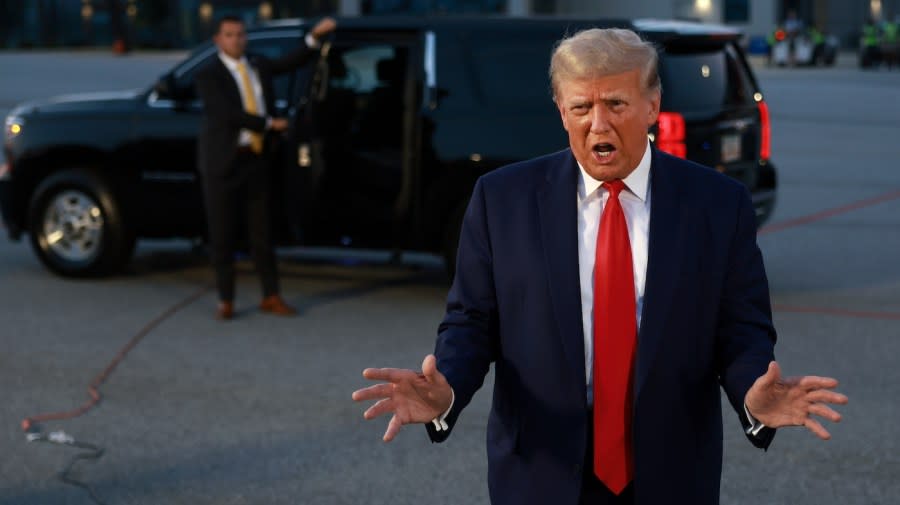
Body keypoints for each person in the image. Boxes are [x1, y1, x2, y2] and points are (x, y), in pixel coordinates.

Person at [352, 28, 847, 505]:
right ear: (560, 111)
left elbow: (740, 329)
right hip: (539, 472)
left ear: (652, 106)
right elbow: (472, 322)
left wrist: (753, 397)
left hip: (671, 476)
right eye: (581, 107)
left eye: (616, 104)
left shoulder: (718, 205)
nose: (598, 123)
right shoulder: (502, 199)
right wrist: (448, 390)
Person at [195, 15, 336, 320]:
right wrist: (271, 124)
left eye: (240, 34)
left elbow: (289, 62)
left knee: (262, 233)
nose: (236, 40)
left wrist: (314, 36)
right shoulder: (209, 75)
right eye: (230, 35)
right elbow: (228, 114)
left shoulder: (257, 64)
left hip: (256, 161)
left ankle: (271, 296)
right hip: (223, 163)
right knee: (223, 234)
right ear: (218, 40)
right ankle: (226, 299)